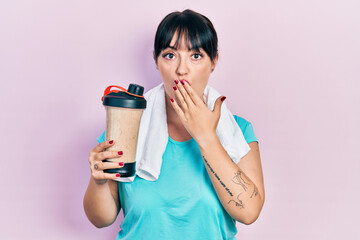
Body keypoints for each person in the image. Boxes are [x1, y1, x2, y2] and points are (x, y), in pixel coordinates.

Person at [83, 9, 265, 239]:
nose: (182, 69)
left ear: (214, 61)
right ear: (156, 61)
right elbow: (102, 219)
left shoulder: (240, 131)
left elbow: (249, 212)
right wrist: (98, 180)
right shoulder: (125, 127)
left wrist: (206, 135)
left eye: (196, 55)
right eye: (170, 55)